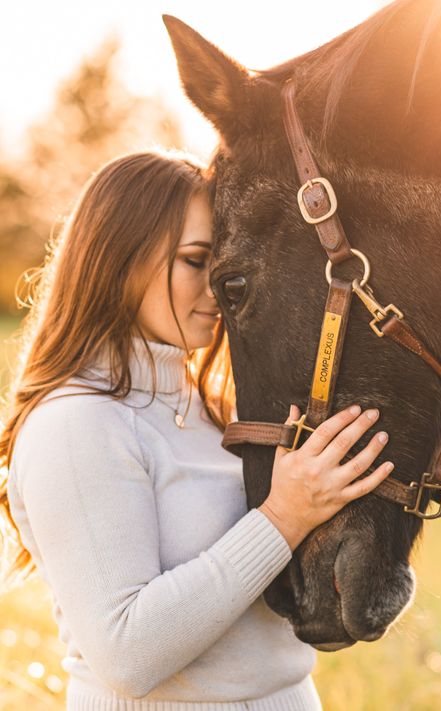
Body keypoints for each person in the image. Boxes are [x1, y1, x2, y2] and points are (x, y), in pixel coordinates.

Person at [0, 148, 393, 711]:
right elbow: (127, 653)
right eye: (193, 260)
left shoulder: (211, 407)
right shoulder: (75, 423)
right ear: (118, 259)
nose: (217, 287)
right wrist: (282, 517)